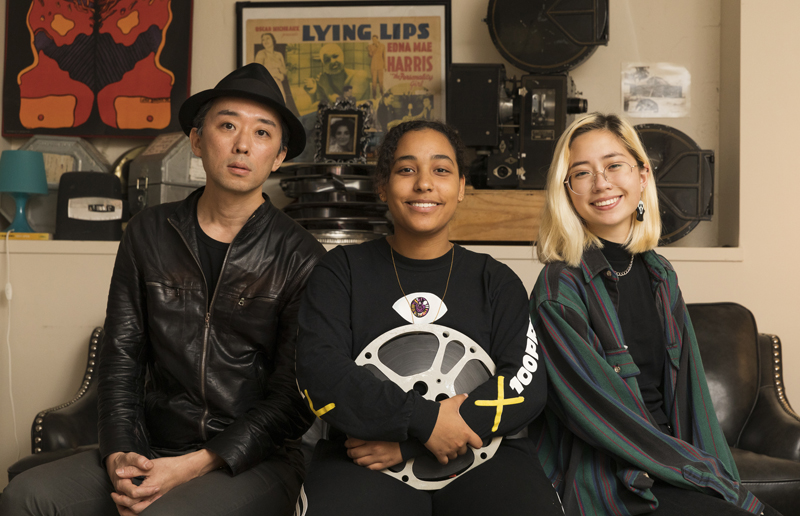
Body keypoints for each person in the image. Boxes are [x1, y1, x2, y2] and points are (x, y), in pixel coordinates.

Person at [0, 63, 326, 516]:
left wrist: (193, 465)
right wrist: (119, 454)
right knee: (25, 496)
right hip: (151, 445)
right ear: (197, 140)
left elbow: (292, 401)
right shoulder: (148, 232)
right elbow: (121, 358)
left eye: (262, 133)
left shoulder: (302, 255)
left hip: (252, 459)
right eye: (227, 125)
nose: (242, 144)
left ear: (279, 156)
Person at [295, 120, 563, 516]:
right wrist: (421, 418)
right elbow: (319, 373)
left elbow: (526, 386)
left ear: (460, 188)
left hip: (483, 457)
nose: (424, 184)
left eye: (441, 170)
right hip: (363, 459)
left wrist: (415, 440)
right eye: (406, 169)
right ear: (382, 186)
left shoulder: (497, 280)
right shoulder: (340, 271)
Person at [528, 112, 781, 516]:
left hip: (673, 462)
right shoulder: (559, 290)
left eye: (614, 165)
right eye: (581, 173)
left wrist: (727, 484)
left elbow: (693, 399)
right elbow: (602, 416)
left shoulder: (660, 273)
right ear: (567, 192)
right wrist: (701, 475)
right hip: (616, 474)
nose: (602, 183)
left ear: (642, 175)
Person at [303, 43, 370, 104]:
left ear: (342, 56)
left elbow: (346, 106)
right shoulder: (325, 79)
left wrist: (327, 87)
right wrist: (312, 93)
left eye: (335, 56)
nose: (332, 61)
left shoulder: (360, 76)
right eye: (327, 60)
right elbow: (320, 107)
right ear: (324, 65)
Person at [255, 33, 288, 102]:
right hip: (266, 84)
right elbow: (257, 72)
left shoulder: (279, 54)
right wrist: (275, 75)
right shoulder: (261, 54)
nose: (265, 41)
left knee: (281, 105)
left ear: (273, 40)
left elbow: (284, 72)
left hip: (278, 84)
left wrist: (280, 68)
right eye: (263, 40)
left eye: (268, 38)